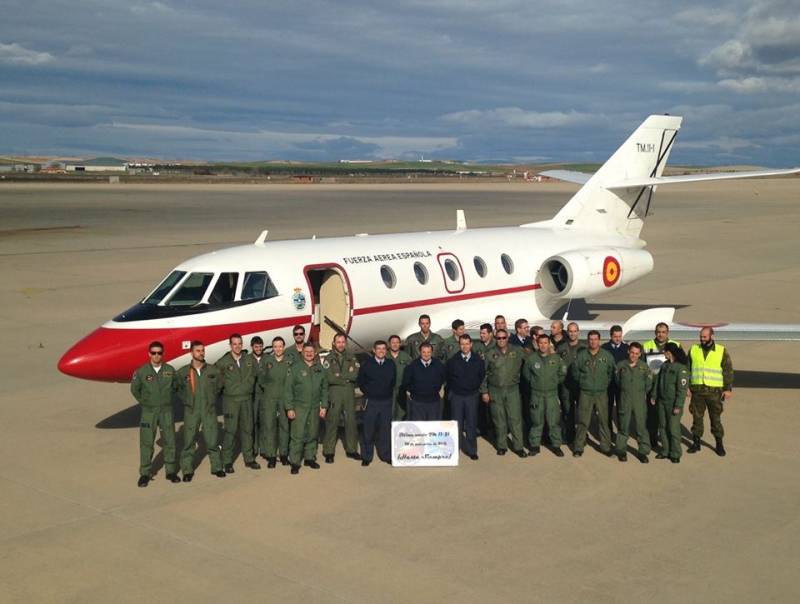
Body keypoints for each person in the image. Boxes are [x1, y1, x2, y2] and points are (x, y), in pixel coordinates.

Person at [130, 341, 179, 487]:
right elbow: (135, 389)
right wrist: (145, 402)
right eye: (154, 353)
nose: (156, 355)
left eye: (159, 353)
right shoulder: (142, 372)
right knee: (147, 442)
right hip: (149, 412)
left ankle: (171, 471)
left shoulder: (170, 370)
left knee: (169, 441)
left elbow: (176, 387)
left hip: (166, 411)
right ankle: (145, 473)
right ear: (149, 354)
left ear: (163, 354)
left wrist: (168, 400)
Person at [177, 341, 226, 480]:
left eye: (203, 350)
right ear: (191, 353)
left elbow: (219, 386)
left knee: (212, 440)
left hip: (208, 410)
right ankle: (187, 470)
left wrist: (211, 399)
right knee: (189, 441)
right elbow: (178, 388)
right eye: (198, 351)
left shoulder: (213, 371)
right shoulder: (183, 372)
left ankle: (217, 467)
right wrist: (187, 400)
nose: (201, 353)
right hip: (191, 411)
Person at [480, 329, 528, 457]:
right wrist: (484, 391)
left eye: (504, 338)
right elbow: (483, 374)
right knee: (499, 419)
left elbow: (531, 360)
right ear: (495, 339)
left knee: (515, 419)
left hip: (512, 389)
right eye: (499, 338)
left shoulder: (517, 350)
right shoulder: (489, 353)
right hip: (495, 390)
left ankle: (518, 447)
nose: (501, 340)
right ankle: (502, 446)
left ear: (507, 338)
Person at [687, 327, 734, 456]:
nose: (702, 339)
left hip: (714, 392)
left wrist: (728, 389)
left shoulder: (721, 350)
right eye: (701, 337)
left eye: (705, 337)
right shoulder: (693, 349)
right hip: (697, 391)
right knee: (697, 419)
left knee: (715, 419)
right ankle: (696, 443)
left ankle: (719, 444)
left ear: (711, 336)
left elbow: (728, 370)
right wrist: (687, 387)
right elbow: (687, 369)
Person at [216, 333, 260, 473]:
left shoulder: (249, 359)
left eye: (239, 343)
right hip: (231, 401)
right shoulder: (223, 362)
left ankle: (249, 458)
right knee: (231, 431)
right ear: (230, 345)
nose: (237, 346)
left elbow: (255, 374)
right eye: (234, 344)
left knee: (248, 429)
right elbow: (217, 382)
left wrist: (249, 385)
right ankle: (227, 461)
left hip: (246, 399)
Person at [284, 343, 328, 474]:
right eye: (306, 351)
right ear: (302, 353)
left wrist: (324, 406)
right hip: (299, 407)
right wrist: (289, 408)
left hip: (314, 407)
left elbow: (324, 389)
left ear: (315, 353)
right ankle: (295, 462)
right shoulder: (295, 368)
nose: (309, 353)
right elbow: (288, 390)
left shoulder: (319, 369)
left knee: (313, 434)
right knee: (297, 436)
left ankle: (310, 458)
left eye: (311, 351)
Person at [571, 330, 616, 457]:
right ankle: (578, 447)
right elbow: (575, 372)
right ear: (588, 340)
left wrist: (604, 383)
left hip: (601, 393)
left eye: (595, 339)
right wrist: (584, 382)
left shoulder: (607, 356)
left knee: (603, 420)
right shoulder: (581, 355)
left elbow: (611, 372)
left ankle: (605, 447)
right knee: (583, 420)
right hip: (586, 392)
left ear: (599, 340)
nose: (593, 342)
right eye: (591, 339)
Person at [524, 333, 567, 457]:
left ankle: (556, 445)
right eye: (541, 343)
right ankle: (534, 446)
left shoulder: (556, 359)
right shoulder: (531, 359)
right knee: (536, 421)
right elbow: (526, 374)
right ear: (537, 344)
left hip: (551, 394)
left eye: (545, 343)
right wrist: (535, 383)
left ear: (549, 344)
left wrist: (554, 382)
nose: (543, 345)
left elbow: (562, 372)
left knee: (553, 421)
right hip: (536, 395)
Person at [322, 333, 361, 463]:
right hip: (335, 393)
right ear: (334, 343)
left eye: (343, 342)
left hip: (348, 393)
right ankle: (329, 451)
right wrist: (346, 378)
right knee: (332, 421)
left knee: (351, 421)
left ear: (346, 343)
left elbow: (355, 375)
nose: (341, 344)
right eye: (338, 342)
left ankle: (352, 450)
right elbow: (329, 377)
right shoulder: (329, 358)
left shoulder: (351, 357)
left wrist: (339, 376)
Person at [446, 335, 486, 460]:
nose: (465, 346)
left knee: (471, 424)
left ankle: (472, 450)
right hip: (457, 396)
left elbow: (481, 375)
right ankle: (454, 449)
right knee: (456, 424)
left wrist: (474, 387)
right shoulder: (453, 360)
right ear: (459, 345)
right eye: (462, 344)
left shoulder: (478, 360)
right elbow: (449, 377)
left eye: (467, 344)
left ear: (471, 344)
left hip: (471, 396)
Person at [357, 340, 396, 466]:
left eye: (383, 348)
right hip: (371, 401)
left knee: (385, 430)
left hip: (386, 402)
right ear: (374, 350)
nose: (381, 351)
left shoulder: (390, 364)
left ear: (386, 350)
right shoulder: (366, 364)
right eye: (378, 348)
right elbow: (361, 382)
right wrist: (369, 392)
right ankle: (367, 456)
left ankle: (385, 455)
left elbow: (393, 381)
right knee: (368, 430)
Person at [613, 342, 653, 463]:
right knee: (623, 426)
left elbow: (648, 384)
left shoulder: (644, 367)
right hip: (625, 399)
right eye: (632, 352)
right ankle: (621, 451)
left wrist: (639, 392)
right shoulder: (621, 365)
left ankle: (643, 452)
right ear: (628, 352)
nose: (633, 355)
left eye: (636, 353)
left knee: (641, 427)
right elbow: (618, 381)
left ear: (640, 354)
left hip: (639, 401)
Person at [257, 336, 293, 468]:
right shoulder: (267, 361)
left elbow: (293, 379)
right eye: (275, 346)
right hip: (270, 398)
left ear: (284, 347)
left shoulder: (289, 361)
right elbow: (261, 379)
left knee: (284, 427)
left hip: (284, 398)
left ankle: (283, 455)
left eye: (280, 346)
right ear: (272, 348)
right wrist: (269, 389)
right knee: (269, 427)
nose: (278, 349)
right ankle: (271, 456)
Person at [653, 342, 690, 463]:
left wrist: (678, 405)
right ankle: (665, 450)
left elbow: (682, 390)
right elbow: (658, 382)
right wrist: (654, 395)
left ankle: (675, 453)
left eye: (665, 351)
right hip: (662, 402)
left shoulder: (681, 369)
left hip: (673, 403)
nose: (663, 353)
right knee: (662, 427)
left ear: (669, 352)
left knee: (673, 429)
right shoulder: (665, 365)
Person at [402, 342, 447, 420]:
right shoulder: (412, 365)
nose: (426, 354)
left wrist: (440, 390)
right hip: (417, 402)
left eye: (428, 352)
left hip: (434, 401)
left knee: (433, 426)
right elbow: (406, 382)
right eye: (424, 352)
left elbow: (444, 378)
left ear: (432, 352)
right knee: (419, 426)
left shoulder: (439, 365)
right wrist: (413, 392)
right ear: (420, 352)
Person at [556, 322, 585, 443]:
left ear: (578, 332)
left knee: (582, 412)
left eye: (574, 331)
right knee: (567, 411)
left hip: (580, 385)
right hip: (566, 385)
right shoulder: (561, 348)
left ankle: (581, 437)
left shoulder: (584, 347)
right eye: (570, 331)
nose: (572, 334)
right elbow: (556, 364)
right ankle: (569, 435)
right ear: (567, 332)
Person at [602, 325, 629, 436]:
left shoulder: (626, 348)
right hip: (608, 384)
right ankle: (608, 433)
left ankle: (621, 433)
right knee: (607, 409)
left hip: (621, 384)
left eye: (619, 336)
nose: (618, 339)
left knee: (621, 409)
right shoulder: (604, 348)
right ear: (611, 336)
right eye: (615, 336)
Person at [388, 335, 411, 420]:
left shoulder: (406, 357)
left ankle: (401, 428)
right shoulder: (384, 356)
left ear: (400, 344)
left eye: (397, 342)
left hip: (402, 389)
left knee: (402, 412)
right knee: (389, 412)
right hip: (388, 390)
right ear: (389, 344)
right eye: (393, 342)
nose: (395, 344)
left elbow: (412, 372)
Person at [250, 336, 266, 457]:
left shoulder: (268, 358)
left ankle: (265, 448)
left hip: (265, 395)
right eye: (256, 347)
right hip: (253, 395)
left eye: (260, 347)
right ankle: (254, 448)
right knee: (253, 422)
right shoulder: (247, 359)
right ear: (252, 347)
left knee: (265, 422)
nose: (259, 349)